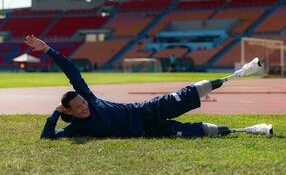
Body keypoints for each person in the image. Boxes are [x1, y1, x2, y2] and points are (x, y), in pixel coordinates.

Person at [24, 35, 270, 140]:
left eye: (83, 102)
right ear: (70, 113)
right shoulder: (76, 130)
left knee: (186, 94)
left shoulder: (88, 97)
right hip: (150, 131)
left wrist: (48, 50)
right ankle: (248, 130)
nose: (84, 106)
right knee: (196, 132)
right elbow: (48, 138)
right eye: (78, 107)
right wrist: (55, 114)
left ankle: (236, 75)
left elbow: (72, 71)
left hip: (146, 110)